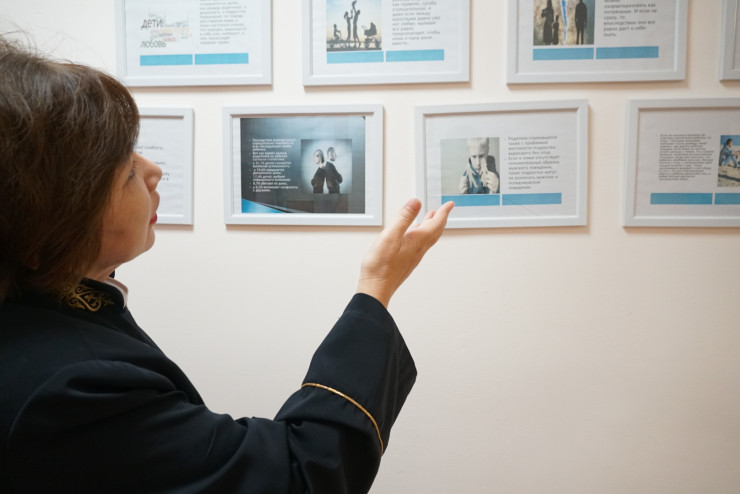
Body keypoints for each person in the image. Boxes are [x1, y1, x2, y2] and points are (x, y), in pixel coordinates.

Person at [0, 36, 455, 493]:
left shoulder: (42, 297)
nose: (154, 171)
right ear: (51, 218)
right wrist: (377, 285)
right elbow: (299, 474)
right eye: (128, 170)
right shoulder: (74, 390)